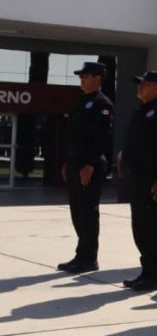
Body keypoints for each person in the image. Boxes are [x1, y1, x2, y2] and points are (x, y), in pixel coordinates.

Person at [120, 70, 157, 291]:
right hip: (139, 180)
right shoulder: (143, 111)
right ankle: (148, 271)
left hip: (154, 182)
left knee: (153, 229)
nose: (140, 87)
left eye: (144, 84)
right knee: (141, 228)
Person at [58, 61, 114, 274]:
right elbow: (72, 136)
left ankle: (89, 258)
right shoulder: (81, 102)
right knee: (77, 211)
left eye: (86, 76)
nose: (81, 79)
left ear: (98, 78)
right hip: (75, 162)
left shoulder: (102, 104)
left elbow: (101, 137)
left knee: (88, 211)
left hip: (90, 164)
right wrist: (67, 162)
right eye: (81, 76)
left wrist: (89, 164)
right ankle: (81, 254)